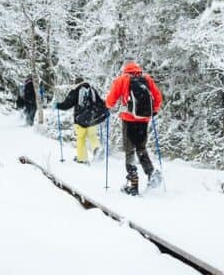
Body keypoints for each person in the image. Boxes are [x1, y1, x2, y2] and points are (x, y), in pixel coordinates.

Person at [105, 58, 163, 195]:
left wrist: (107, 106)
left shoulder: (122, 79)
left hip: (129, 119)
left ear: (125, 67)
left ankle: (133, 182)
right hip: (144, 119)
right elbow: (158, 96)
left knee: (129, 150)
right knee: (141, 148)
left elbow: (111, 100)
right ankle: (151, 173)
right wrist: (154, 110)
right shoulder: (147, 78)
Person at [54, 77, 107, 164]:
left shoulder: (76, 90)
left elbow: (67, 104)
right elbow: (100, 103)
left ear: (76, 83)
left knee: (81, 139)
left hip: (80, 119)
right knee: (92, 136)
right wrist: (105, 110)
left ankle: (82, 159)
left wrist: (58, 105)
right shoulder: (92, 90)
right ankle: (97, 149)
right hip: (92, 119)